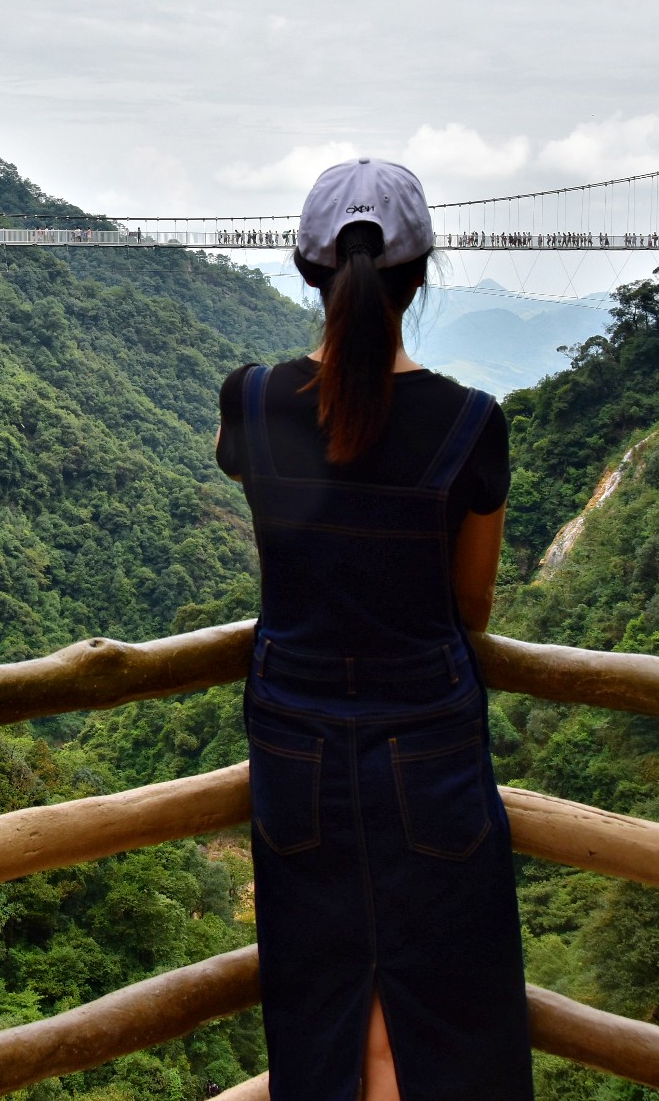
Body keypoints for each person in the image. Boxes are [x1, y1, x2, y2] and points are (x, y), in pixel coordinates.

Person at [216, 158, 530, 1101]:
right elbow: (471, 605)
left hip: (293, 739)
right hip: (426, 740)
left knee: (322, 999)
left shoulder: (253, 400)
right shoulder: (472, 423)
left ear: (310, 271)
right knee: (441, 1008)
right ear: (421, 275)